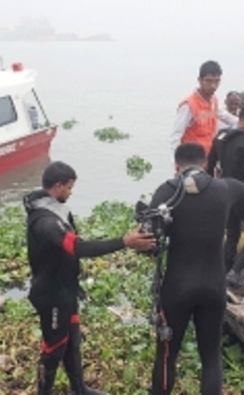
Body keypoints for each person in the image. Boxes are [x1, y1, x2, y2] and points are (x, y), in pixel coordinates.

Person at [23, 161, 156, 395]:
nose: (71, 192)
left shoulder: (55, 208)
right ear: (58, 186)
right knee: (54, 348)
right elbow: (78, 248)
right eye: (69, 187)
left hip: (66, 290)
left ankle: (79, 389)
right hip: (51, 294)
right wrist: (124, 242)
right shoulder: (45, 222)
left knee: (72, 342)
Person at [149, 143, 244, 394]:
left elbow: (150, 240)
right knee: (211, 356)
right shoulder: (225, 188)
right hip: (214, 285)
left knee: (167, 355)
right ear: (205, 164)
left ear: (176, 166)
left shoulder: (166, 192)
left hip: (177, 287)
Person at [206, 103, 244, 287]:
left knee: (232, 233)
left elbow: (210, 165)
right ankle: (235, 272)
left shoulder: (221, 136)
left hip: (224, 191)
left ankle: (224, 273)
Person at [170, 61, 238, 158]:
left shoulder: (214, 101)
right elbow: (176, 136)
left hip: (208, 158)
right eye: (209, 81)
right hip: (191, 160)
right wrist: (176, 164)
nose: (213, 85)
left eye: (217, 81)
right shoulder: (188, 105)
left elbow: (225, 116)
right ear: (200, 80)